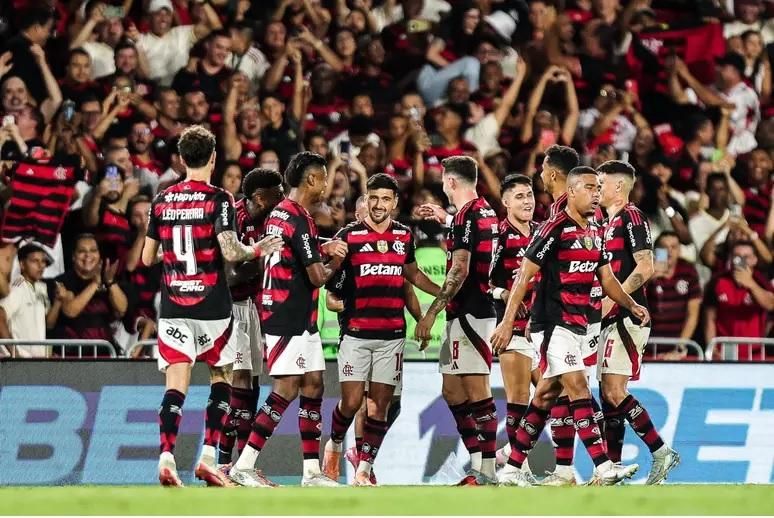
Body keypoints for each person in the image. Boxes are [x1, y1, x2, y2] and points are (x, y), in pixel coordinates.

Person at [140, 125, 283, 487]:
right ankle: (207, 457)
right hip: (213, 307)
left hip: (174, 305)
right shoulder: (219, 199)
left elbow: (146, 258)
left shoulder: (162, 200)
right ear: (214, 158)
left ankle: (167, 457)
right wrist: (260, 248)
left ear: (182, 159)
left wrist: (172, 254)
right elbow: (232, 252)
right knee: (221, 379)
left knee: (176, 384)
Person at [490, 166, 646, 487]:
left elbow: (608, 279)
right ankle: (604, 466)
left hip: (579, 327)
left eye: (598, 189)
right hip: (550, 325)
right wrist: (507, 323)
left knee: (545, 396)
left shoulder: (593, 231)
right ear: (572, 191)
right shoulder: (553, 228)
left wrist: (631, 304)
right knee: (577, 387)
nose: (596, 195)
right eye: (589, 188)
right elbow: (523, 276)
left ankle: (511, 467)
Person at [228, 152, 348, 488]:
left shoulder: (282, 215)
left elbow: (302, 252)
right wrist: (337, 258)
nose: (326, 184)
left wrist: (324, 248)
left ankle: (311, 472)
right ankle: (244, 463)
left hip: (296, 313)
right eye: (323, 177)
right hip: (285, 312)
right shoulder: (295, 217)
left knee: (314, 384)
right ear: (311, 180)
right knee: (287, 388)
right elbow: (317, 277)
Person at [321, 173, 440, 485]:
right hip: (356, 333)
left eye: (385, 199)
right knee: (349, 403)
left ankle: (363, 470)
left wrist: (443, 294)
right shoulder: (348, 236)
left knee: (380, 406)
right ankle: (333, 445)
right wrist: (335, 299)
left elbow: (412, 277)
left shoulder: (403, 237)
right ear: (367, 199)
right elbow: (330, 286)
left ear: (395, 204)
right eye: (373, 198)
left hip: (391, 336)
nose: (378, 204)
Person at [414, 155, 500, 486]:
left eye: (443, 181)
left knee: (477, 391)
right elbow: (472, 234)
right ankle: (479, 463)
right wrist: (445, 217)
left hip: (471, 313)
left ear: (451, 182)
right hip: (465, 314)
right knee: (452, 391)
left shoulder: (467, 216)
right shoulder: (483, 212)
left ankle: (488, 470)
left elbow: (460, 268)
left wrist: (432, 312)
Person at [596, 160, 680, 485]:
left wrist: (615, 299)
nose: (596, 189)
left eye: (600, 183)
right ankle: (612, 469)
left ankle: (661, 452)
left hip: (626, 315)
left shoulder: (632, 217)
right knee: (608, 397)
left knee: (615, 392)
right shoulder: (606, 223)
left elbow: (646, 267)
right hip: (609, 317)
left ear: (619, 186)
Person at [217, 168, 285, 471]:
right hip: (229, 307)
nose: (283, 195)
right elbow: (232, 276)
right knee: (239, 383)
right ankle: (225, 463)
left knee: (253, 384)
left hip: (252, 306)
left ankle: (242, 464)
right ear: (260, 197)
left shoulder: (270, 221)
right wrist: (264, 256)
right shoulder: (234, 218)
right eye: (277, 191)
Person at [488, 174, 542, 485]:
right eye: (519, 196)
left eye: (530, 195)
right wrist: (504, 294)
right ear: (506, 202)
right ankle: (519, 470)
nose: (527, 201)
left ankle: (511, 450)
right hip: (512, 330)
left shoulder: (540, 232)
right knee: (519, 397)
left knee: (553, 396)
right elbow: (484, 281)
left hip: (541, 330)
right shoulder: (501, 235)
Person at [704, 240, 774, 360]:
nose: (741, 260)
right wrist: (712, 348)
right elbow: (710, 319)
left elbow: (771, 305)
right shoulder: (717, 282)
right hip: (724, 353)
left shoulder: (761, 282)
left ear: (754, 260)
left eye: (746, 257)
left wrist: (751, 284)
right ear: (730, 259)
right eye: (737, 257)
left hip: (754, 354)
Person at [646, 231, 702, 359]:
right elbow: (633, 303)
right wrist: (648, 280)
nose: (669, 251)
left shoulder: (688, 271)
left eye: (673, 247)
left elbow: (693, 313)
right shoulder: (645, 269)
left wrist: (679, 347)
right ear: (655, 251)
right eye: (664, 247)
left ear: (679, 251)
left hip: (678, 348)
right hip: (648, 346)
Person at [0, 244, 62, 357]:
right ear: (22, 265)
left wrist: (58, 302)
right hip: (20, 363)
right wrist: (14, 353)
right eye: (35, 261)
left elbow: (49, 324)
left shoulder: (41, 287)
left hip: (36, 363)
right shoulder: (17, 288)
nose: (41, 266)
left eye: (43, 261)